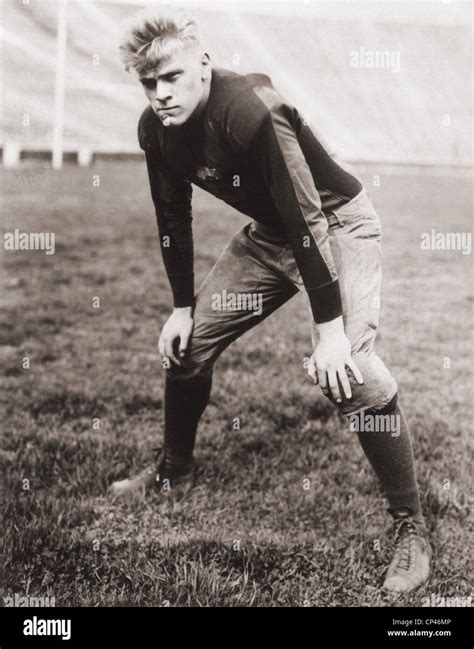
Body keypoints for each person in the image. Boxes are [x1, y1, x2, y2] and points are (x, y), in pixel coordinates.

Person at [112, 5, 431, 593]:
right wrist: (182, 306)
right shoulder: (155, 128)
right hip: (269, 237)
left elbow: (309, 216)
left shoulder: (253, 108)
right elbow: (171, 218)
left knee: (353, 369)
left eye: (172, 77)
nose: (160, 94)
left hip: (336, 226)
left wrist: (329, 328)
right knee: (187, 346)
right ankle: (173, 473)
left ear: (203, 64)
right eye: (148, 83)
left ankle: (411, 527)